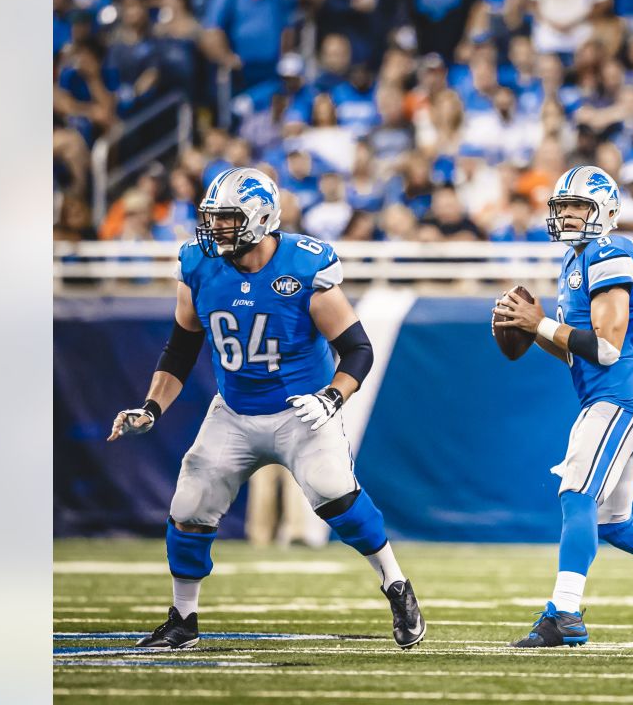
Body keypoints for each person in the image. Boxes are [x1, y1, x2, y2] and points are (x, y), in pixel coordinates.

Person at [107, 167, 425, 650]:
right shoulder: (198, 265)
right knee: (189, 504)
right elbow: (180, 347)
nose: (215, 230)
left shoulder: (301, 267)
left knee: (334, 493)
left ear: (260, 219)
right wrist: (152, 407)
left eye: (228, 219)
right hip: (234, 411)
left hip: (302, 411)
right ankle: (183, 619)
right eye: (212, 218)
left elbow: (358, 349)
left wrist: (332, 396)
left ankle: (395, 584)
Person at [492, 165, 633, 648]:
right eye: (564, 208)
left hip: (616, 398)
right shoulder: (578, 260)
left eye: (580, 207)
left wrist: (539, 321)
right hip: (618, 401)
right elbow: (572, 349)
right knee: (614, 523)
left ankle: (565, 613)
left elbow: (605, 348)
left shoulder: (610, 250)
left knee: (576, 497)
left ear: (607, 211)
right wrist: (533, 327)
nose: (570, 217)